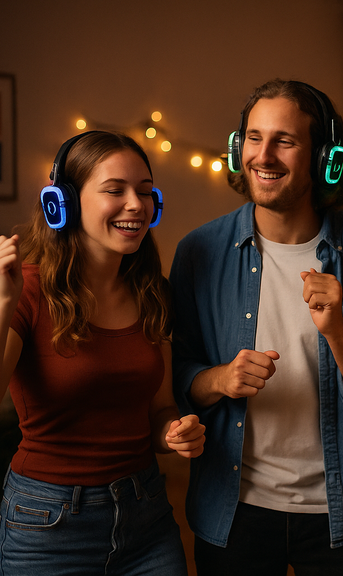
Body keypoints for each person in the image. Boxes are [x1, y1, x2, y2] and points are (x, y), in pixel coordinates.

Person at [170, 79, 343, 575]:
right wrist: (220, 379)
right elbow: (176, 376)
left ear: (327, 159)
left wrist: (339, 332)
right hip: (233, 510)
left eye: (285, 140)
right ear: (239, 151)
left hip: (342, 513)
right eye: (254, 139)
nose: (265, 155)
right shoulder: (199, 251)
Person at [0, 130, 206, 575]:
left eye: (146, 193)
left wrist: (174, 431)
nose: (137, 204)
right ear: (63, 204)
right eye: (115, 190)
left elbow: (160, 408)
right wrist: (2, 304)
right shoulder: (27, 290)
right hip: (46, 524)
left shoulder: (154, 292)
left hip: (146, 515)